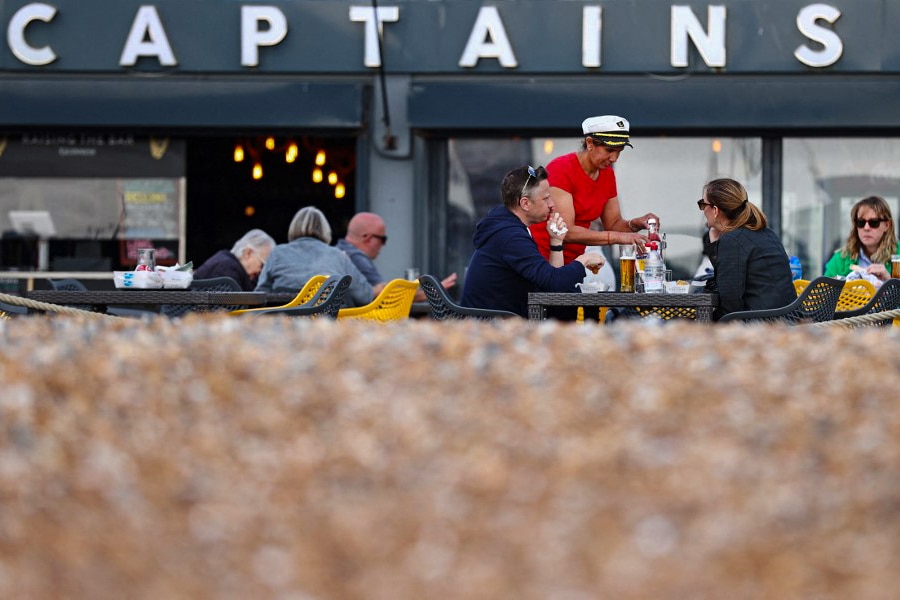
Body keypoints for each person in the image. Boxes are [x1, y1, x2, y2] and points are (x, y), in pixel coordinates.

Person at [460, 165, 606, 317]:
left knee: (564, 307)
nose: (552, 204)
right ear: (525, 204)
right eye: (546, 198)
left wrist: (556, 242)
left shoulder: (507, 229)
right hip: (492, 330)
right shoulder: (510, 236)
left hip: (498, 321)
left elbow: (550, 285)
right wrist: (583, 260)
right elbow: (554, 282)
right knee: (566, 312)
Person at [528, 115, 658, 263]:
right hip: (542, 260)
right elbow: (565, 231)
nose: (614, 158)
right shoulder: (561, 169)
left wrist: (635, 224)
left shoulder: (607, 173)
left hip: (575, 262)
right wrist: (619, 237)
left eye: (619, 151)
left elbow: (614, 224)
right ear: (589, 143)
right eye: (609, 150)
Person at [699, 177, 795, 321]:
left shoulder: (733, 240)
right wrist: (714, 242)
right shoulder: (765, 234)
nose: (702, 210)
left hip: (762, 326)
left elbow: (730, 306)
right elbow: (727, 281)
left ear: (715, 210)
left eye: (702, 204)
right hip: (788, 320)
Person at [255, 206, 376, 307]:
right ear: (325, 230)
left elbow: (260, 294)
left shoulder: (277, 253)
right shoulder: (338, 255)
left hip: (284, 324)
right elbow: (365, 296)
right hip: (330, 325)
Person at [336, 211, 458, 301]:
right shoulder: (355, 257)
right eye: (383, 239)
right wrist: (432, 292)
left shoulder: (339, 252)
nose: (383, 245)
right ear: (366, 238)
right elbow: (387, 295)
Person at [823, 196, 899, 283]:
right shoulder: (840, 259)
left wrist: (889, 281)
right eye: (861, 222)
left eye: (874, 222)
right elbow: (823, 294)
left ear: (887, 225)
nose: (866, 228)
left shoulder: (898, 255)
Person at [192, 228, 275, 291]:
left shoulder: (234, 267)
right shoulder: (225, 268)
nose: (261, 271)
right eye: (262, 265)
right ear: (248, 253)